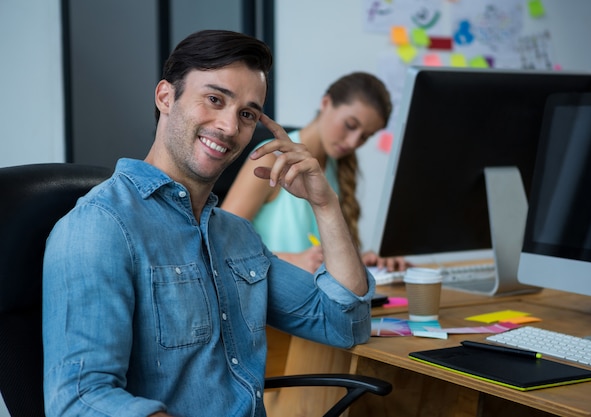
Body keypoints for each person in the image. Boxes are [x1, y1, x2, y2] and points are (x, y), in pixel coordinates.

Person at [42, 29, 375, 417]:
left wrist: (326, 203)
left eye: (247, 114)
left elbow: (345, 324)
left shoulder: (236, 235)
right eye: (215, 99)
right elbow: (78, 402)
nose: (230, 127)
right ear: (166, 97)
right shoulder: (99, 227)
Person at [221, 72, 409, 273]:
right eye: (350, 125)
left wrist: (362, 260)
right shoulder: (271, 158)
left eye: (365, 137)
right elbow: (220, 244)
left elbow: (327, 256)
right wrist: (292, 259)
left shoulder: (338, 168)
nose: (353, 142)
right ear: (326, 103)